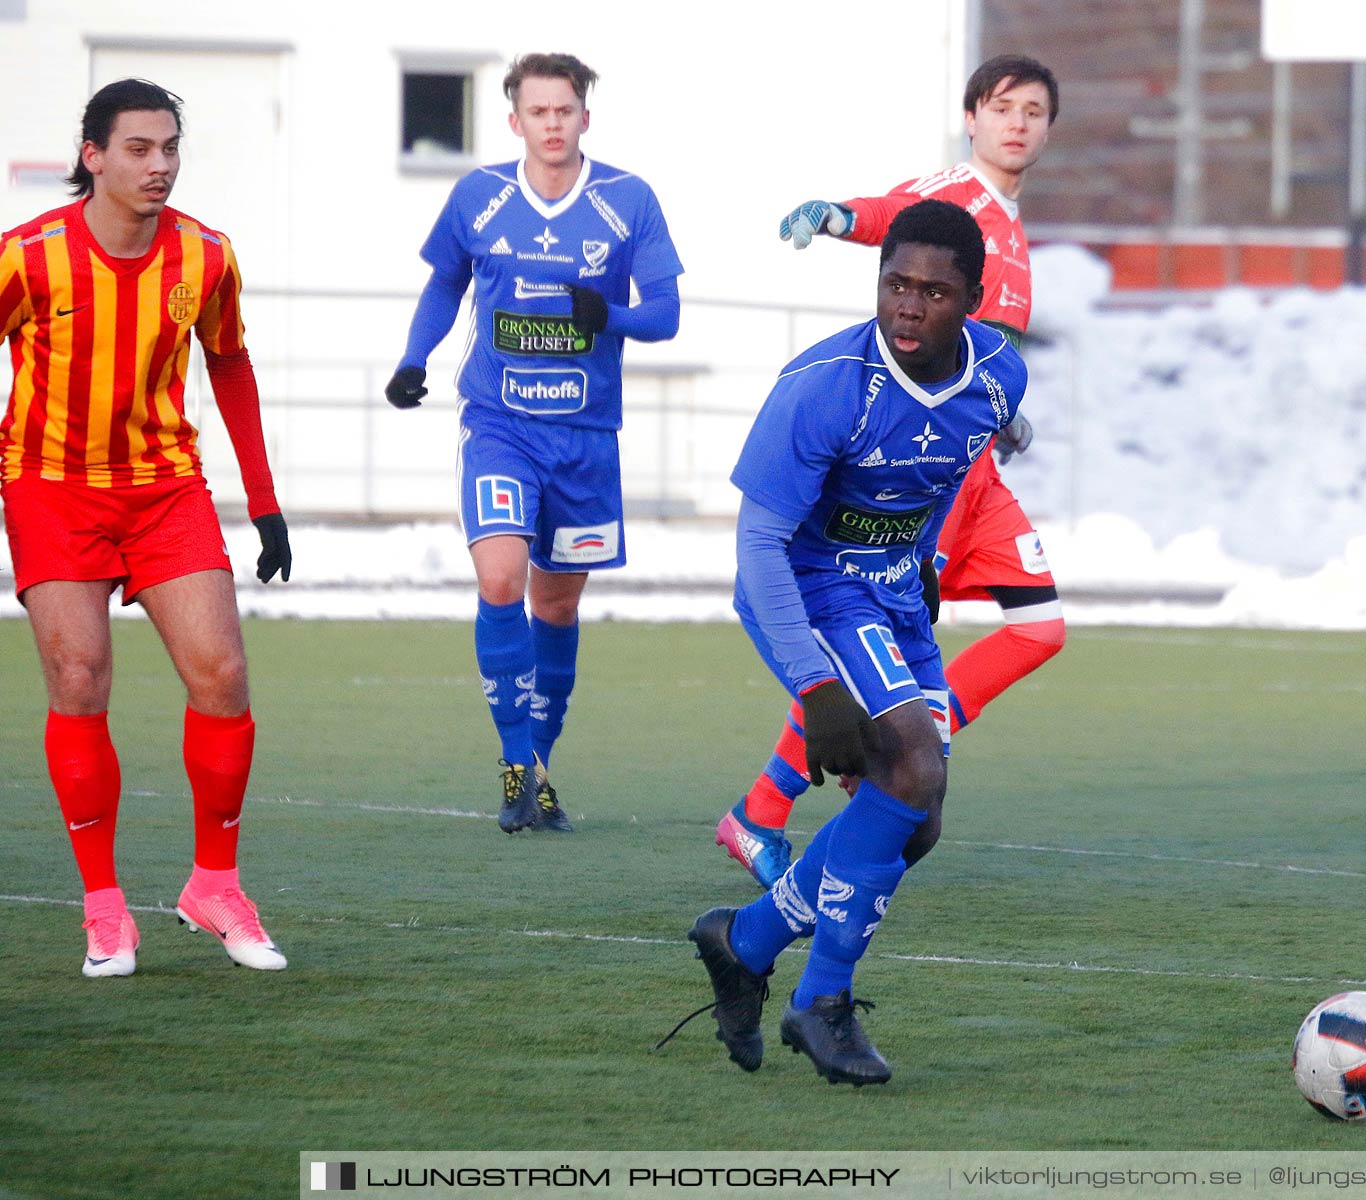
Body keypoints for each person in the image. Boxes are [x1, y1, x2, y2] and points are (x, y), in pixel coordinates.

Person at [686, 200, 1026, 1085]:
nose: (910, 307)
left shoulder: (999, 376)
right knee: (910, 770)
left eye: (934, 293)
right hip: (810, 592)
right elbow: (759, 544)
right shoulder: (825, 385)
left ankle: (746, 938)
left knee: (918, 825)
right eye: (895, 285)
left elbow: (948, 461)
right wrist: (814, 686)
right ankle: (821, 1002)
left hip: (894, 602)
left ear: (973, 301)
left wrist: (920, 562)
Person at [717, 55, 1064, 887]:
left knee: (1037, 628)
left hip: (965, 450)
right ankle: (782, 802)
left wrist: (1000, 414)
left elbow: (986, 355)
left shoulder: (1008, 225)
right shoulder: (959, 197)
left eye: (1035, 111)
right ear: (972, 116)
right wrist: (836, 215)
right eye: (1002, 107)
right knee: (893, 730)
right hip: (908, 458)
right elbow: (895, 216)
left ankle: (810, 790)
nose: (1017, 123)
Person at [0, 79, 293, 977]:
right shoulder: (28, 257)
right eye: (137, 148)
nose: (158, 164)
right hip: (51, 487)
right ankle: (104, 909)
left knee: (224, 675)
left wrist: (267, 502)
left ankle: (215, 885)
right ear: (92, 156)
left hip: (165, 486)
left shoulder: (206, 257)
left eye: (169, 147)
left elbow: (232, 367)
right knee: (79, 679)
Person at [386, 53, 682, 833]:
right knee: (500, 579)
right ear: (514, 120)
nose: (552, 123)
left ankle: (541, 769)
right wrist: (415, 358)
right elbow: (445, 281)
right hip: (500, 427)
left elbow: (666, 315)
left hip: (586, 440)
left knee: (555, 603)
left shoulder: (627, 201)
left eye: (565, 110)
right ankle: (515, 758)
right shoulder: (479, 198)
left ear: (586, 116)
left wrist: (606, 317)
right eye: (538, 111)